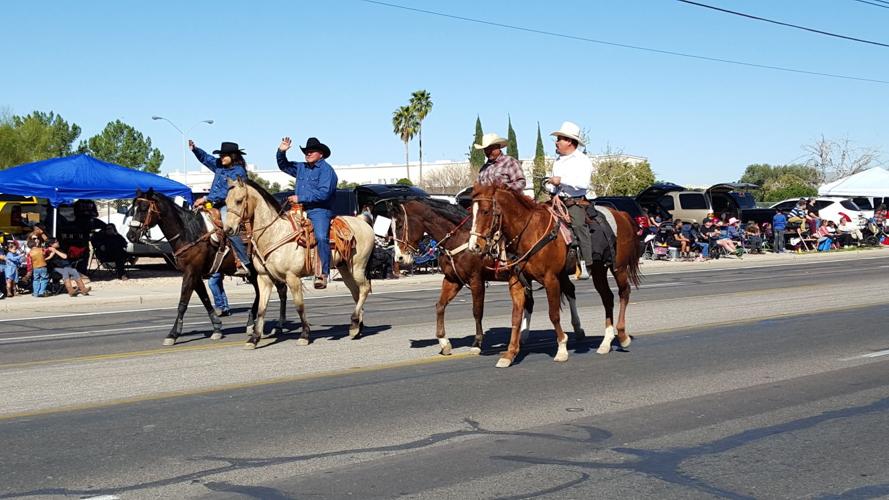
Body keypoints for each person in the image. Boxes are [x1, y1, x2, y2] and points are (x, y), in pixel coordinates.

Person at [545, 121, 613, 278]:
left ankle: (586, 263)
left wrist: (560, 180)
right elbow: (555, 185)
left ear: (569, 141)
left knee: (578, 225)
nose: (557, 142)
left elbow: (582, 183)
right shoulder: (558, 160)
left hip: (575, 201)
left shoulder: (582, 160)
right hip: (557, 200)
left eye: (560, 138)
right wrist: (551, 188)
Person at [277, 136, 338, 289]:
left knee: (320, 236)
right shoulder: (301, 167)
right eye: (306, 152)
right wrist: (281, 152)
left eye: (312, 151)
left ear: (321, 154)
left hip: (319, 210)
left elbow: (324, 194)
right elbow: (283, 166)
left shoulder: (327, 171)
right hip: (298, 209)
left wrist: (300, 197)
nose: (308, 154)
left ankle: (323, 273)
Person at [190, 140, 251, 277]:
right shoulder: (219, 165)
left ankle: (243, 262)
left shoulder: (239, 172)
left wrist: (206, 199)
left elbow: (228, 192)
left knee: (229, 228)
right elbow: (206, 158)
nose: (221, 158)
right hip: (214, 203)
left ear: (233, 156)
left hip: (229, 205)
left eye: (224, 155)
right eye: (221, 155)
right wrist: (195, 149)